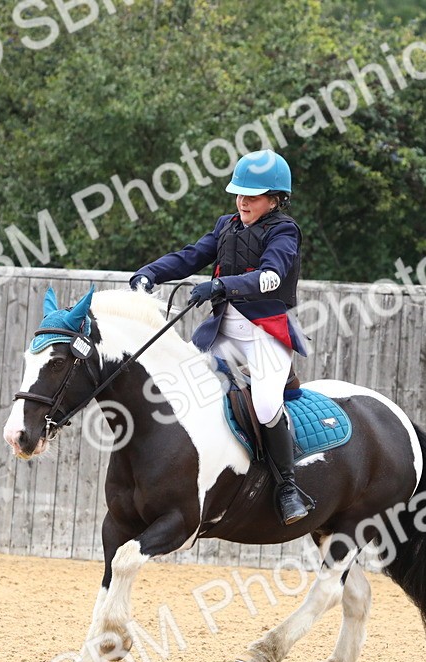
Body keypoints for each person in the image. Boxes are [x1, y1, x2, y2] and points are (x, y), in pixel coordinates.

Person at [130, 150, 313, 525]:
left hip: (265, 334)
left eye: (254, 196)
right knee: (176, 383)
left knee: (264, 405)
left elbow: (271, 277)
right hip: (222, 331)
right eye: (240, 193)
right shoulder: (226, 225)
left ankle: (287, 487)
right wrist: (150, 273)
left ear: (276, 199)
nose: (243, 201)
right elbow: (190, 256)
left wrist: (219, 285)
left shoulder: (284, 231)